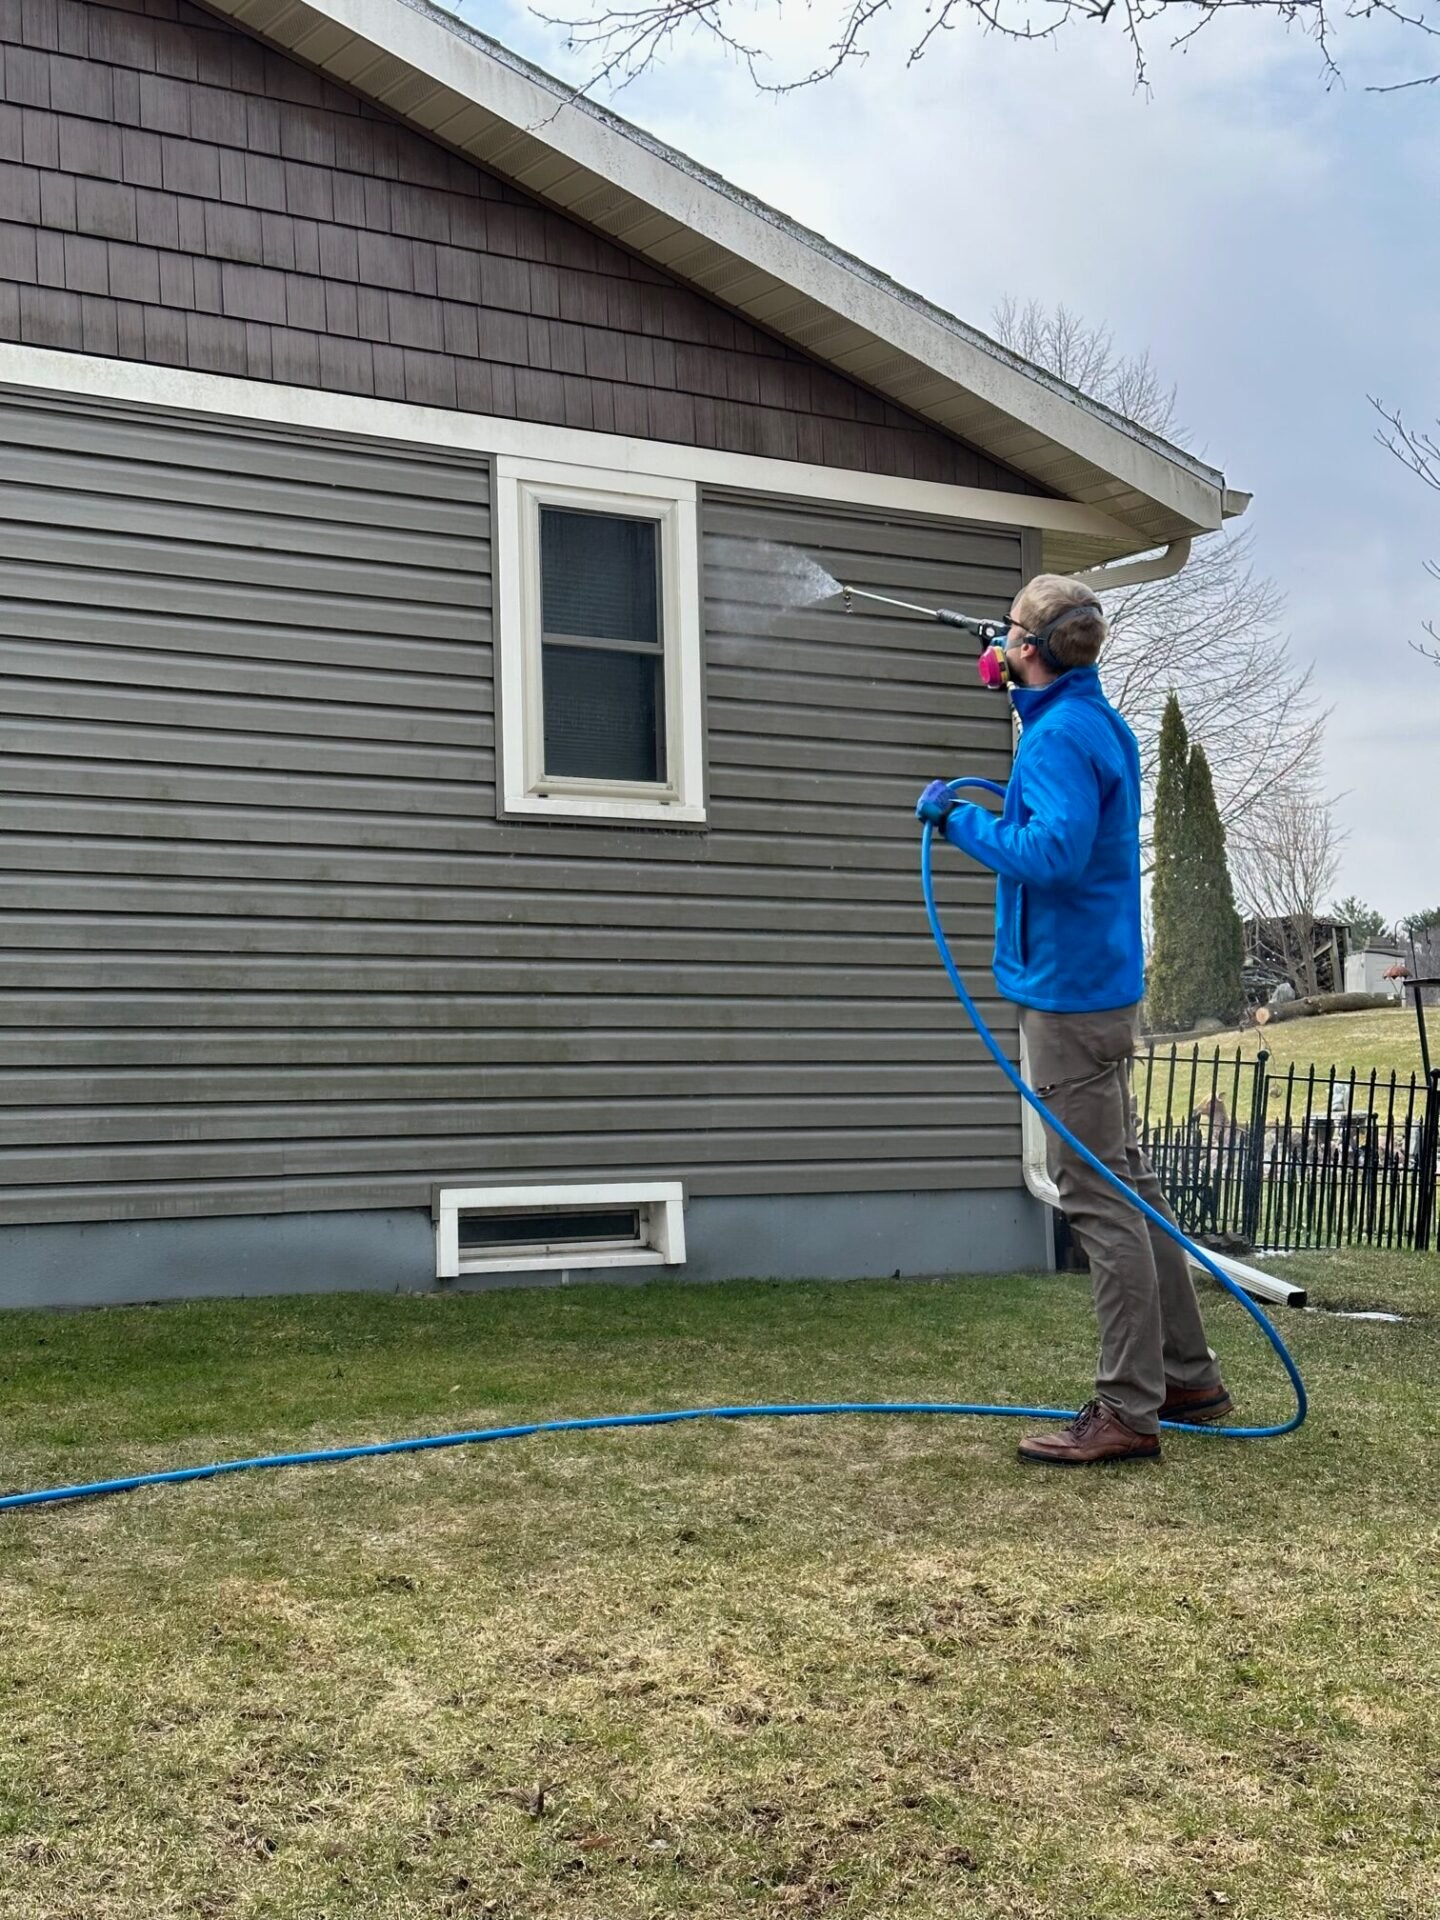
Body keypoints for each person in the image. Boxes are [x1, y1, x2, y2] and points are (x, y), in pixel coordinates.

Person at [916, 574, 1232, 1466]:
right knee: (1126, 1179)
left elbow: (1049, 857)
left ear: (1030, 649)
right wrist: (1020, 690)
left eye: (1012, 631)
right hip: (1100, 983)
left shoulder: (1057, 740)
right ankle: (1188, 1375)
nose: (1001, 640)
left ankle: (1130, 1410)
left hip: (1067, 998)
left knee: (1095, 1197)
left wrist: (958, 821)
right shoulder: (1091, 720)